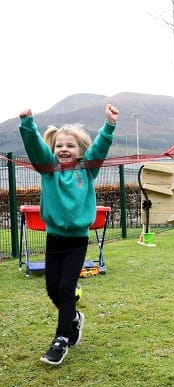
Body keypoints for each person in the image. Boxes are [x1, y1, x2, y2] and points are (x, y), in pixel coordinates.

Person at [18, 104, 119, 365]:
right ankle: (74, 318)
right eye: (59, 145)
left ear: (81, 151)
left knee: (65, 287)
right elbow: (34, 147)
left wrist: (109, 124)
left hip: (77, 241)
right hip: (54, 239)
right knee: (53, 289)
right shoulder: (47, 170)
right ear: (53, 150)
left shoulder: (88, 170)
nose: (64, 149)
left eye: (70, 146)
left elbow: (100, 148)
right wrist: (28, 124)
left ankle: (61, 339)